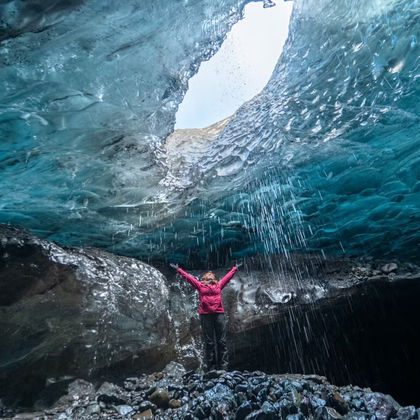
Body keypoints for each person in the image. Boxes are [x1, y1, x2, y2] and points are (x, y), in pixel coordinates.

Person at [170, 262, 242, 371]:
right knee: (209, 342)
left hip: (219, 314)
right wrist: (179, 270)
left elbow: (227, 278)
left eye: (211, 275)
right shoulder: (200, 285)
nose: (209, 276)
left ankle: (224, 367)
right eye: (207, 275)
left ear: (214, 278)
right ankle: (211, 367)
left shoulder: (218, 285)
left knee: (221, 341)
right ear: (204, 278)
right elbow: (188, 278)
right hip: (205, 315)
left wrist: (234, 268)